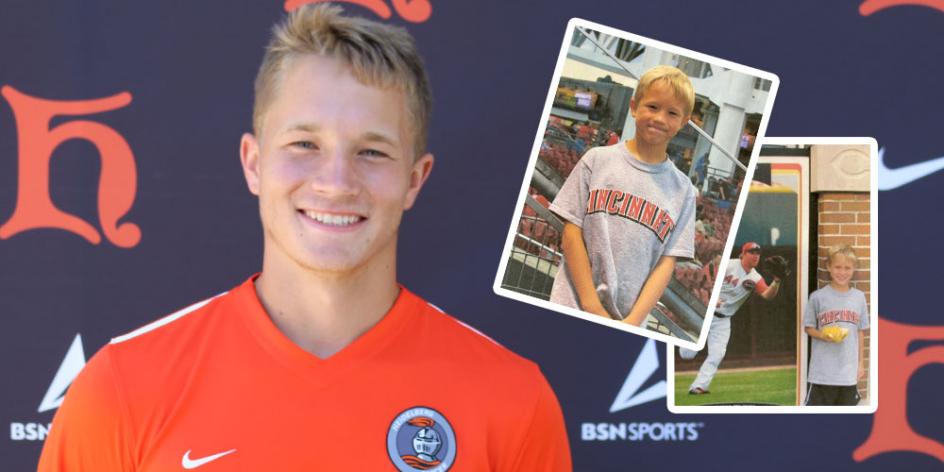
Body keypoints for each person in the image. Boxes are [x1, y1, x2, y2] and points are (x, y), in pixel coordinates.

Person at [38, 5, 571, 471]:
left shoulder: (513, 401)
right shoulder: (122, 388)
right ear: (254, 163)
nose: (335, 182)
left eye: (372, 151)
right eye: (304, 144)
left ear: (415, 179)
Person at [549, 65, 697, 327]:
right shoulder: (597, 159)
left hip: (626, 319)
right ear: (634, 106)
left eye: (672, 113)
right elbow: (571, 231)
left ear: (683, 122)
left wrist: (633, 321)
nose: (660, 118)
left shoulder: (683, 190)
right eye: (652, 107)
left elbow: (667, 263)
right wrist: (591, 305)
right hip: (570, 302)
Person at [679, 242, 783, 394]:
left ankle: (699, 386)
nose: (756, 255)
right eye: (752, 252)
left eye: (758, 253)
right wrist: (710, 297)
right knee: (686, 355)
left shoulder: (755, 277)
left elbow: (768, 295)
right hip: (706, 312)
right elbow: (705, 276)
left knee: (718, 353)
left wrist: (777, 281)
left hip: (723, 319)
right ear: (743, 253)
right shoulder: (729, 265)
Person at [803, 245, 869, 406]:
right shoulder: (818, 297)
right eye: (838, 267)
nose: (842, 272)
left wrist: (861, 364)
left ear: (854, 269)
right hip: (822, 372)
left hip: (848, 373)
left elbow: (861, 332)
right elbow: (808, 327)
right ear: (829, 267)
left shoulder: (859, 297)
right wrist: (823, 335)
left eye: (847, 268)